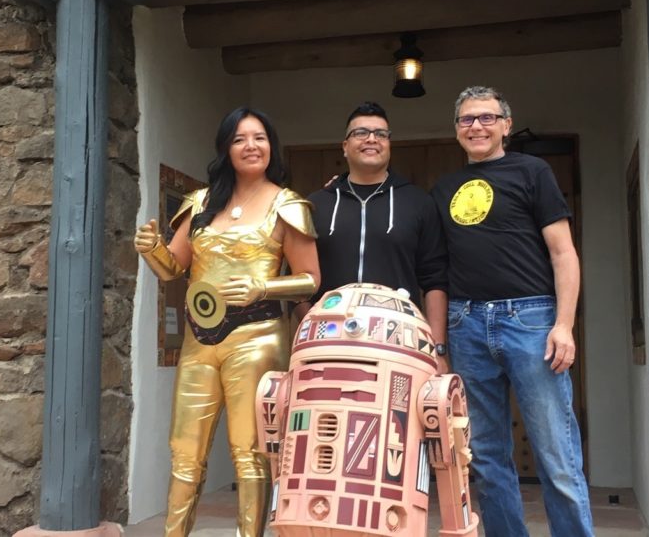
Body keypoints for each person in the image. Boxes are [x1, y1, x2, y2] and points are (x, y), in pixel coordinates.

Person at [134, 107, 320, 537]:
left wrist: (263, 288)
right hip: (201, 339)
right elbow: (172, 268)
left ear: (271, 146)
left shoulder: (287, 204)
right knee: (184, 449)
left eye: (259, 137)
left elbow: (310, 279)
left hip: (258, 336)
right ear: (226, 149)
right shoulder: (201, 203)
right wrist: (150, 249)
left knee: (250, 452)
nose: (251, 146)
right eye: (239, 139)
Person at [431, 86, 592, 537]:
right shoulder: (443, 188)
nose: (476, 126)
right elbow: (435, 268)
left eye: (486, 117)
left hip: (532, 320)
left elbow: (563, 253)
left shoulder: (532, 172)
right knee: (484, 457)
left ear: (505, 124)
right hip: (466, 323)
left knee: (556, 454)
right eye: (466, 119)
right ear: (456, 130)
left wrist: (564, 324)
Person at [301, 101, 449, 358]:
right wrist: (310, 326)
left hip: (399, 340)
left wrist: (437, 349)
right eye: (361, 133)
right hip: (326, 337)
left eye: (381, 134)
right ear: (345, 147)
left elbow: (435, 279)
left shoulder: (418, 202)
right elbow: (298, 281)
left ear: (389, 145)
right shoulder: (316, 205)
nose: (372, 139)